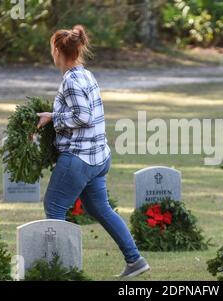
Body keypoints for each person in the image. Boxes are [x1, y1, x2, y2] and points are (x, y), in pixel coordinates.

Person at [36, 25, 150, 278]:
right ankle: (135, 260)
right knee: (100, 208)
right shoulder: (85, 74)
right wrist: (54, 116)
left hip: (79, 158)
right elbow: (82, 112)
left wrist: (55, 119)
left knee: (54, 207)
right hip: (99, 157)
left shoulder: (71, 80)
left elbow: (83, 116)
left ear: (57, 51)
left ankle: (61, 270)